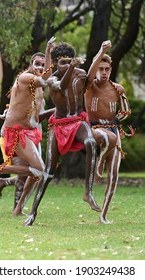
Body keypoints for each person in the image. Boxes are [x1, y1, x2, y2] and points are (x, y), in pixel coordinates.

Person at [24, 42, 101, 226]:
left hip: (78, 121)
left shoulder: (80, 75)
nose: (66, 65)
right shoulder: (52, 80)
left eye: (69, 61)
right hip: (59, 125)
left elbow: (90, 78)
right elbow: (62, 85)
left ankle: (88, 192)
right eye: (62, 63)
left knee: (90, 142)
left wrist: (101, 51)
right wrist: (71, 65)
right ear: (56, 64)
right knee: (49, 172)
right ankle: (33, 212)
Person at [0, 37, 56, 216]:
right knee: (39, 170)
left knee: (36, 173)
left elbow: (37, 113)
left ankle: (17, 208)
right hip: (15, 133)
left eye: (42, 64)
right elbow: (46, 78)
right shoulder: (25, 78)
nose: (40, 67)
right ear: (31, 64)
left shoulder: (38, 88)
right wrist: (48, 50)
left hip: (30, 132)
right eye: (37, 63)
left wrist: (57, 111)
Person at [84, 40, 134, 224]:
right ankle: (98, 165)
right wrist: (101, 51)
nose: (103, 72)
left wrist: (118, 119)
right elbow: (90, 75)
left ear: (111, 70)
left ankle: (103, 215)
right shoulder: (89, 85)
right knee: (107, 137)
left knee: (114, 175)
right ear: (97, 69)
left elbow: (126, 111)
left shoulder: (117, 89)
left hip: (113, 129)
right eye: (101, 69)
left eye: (106, 69)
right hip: (94, 129)